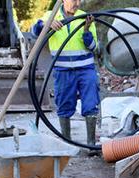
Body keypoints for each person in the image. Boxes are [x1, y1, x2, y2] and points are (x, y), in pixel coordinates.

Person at [31, 0, 100, 152]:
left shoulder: (85, 17)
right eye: (73, 0)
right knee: (64, 104)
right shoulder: (50, 16)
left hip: (85, 69)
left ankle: (90, 144)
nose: (77, 3)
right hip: (63, 71)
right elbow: (34, 31)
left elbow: (94, 47)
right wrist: (46, 25)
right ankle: (66, 143)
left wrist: (86, 30)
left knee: (91, 103)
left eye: (79, 0)